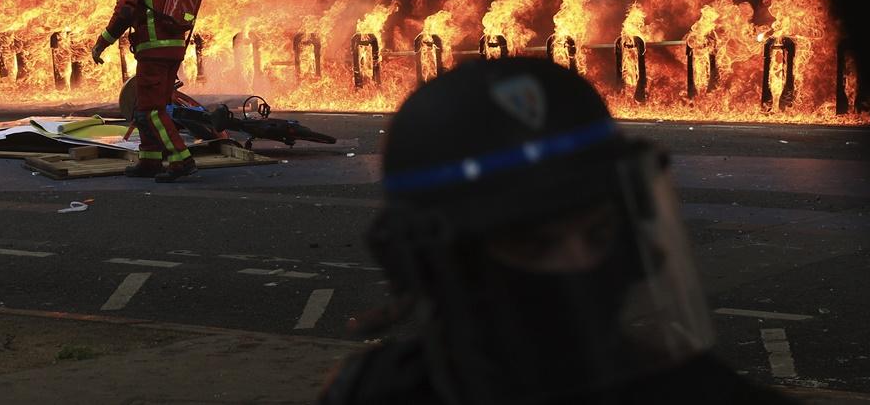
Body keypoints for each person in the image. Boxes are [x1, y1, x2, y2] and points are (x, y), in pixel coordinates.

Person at [321, 57, 792, 404]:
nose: (579, 264)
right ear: (443, 263)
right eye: (535, 243)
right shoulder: (379, 394)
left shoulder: (701, 394)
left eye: (599, 234)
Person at [92, 0, 197, 182]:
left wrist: (102, 43)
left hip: (152, 51)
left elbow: (124, 12)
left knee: (151, 110)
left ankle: (180, 159)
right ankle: (149, 160)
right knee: (144, 106)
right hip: (174, 49)